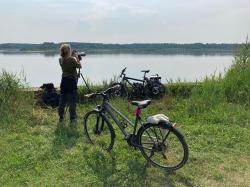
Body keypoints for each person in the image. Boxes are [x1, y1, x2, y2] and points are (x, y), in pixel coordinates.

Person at [58, 44, 82, 123]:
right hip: (71, 81)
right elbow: (79, 66)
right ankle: (72, 119)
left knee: (62, 99)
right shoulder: (72, 59)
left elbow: (68, 66)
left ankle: (61, 116)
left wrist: (74, 57)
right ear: (69, 50)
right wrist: (77, 58)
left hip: (64, 81)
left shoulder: (60, 59)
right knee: (72, 100)